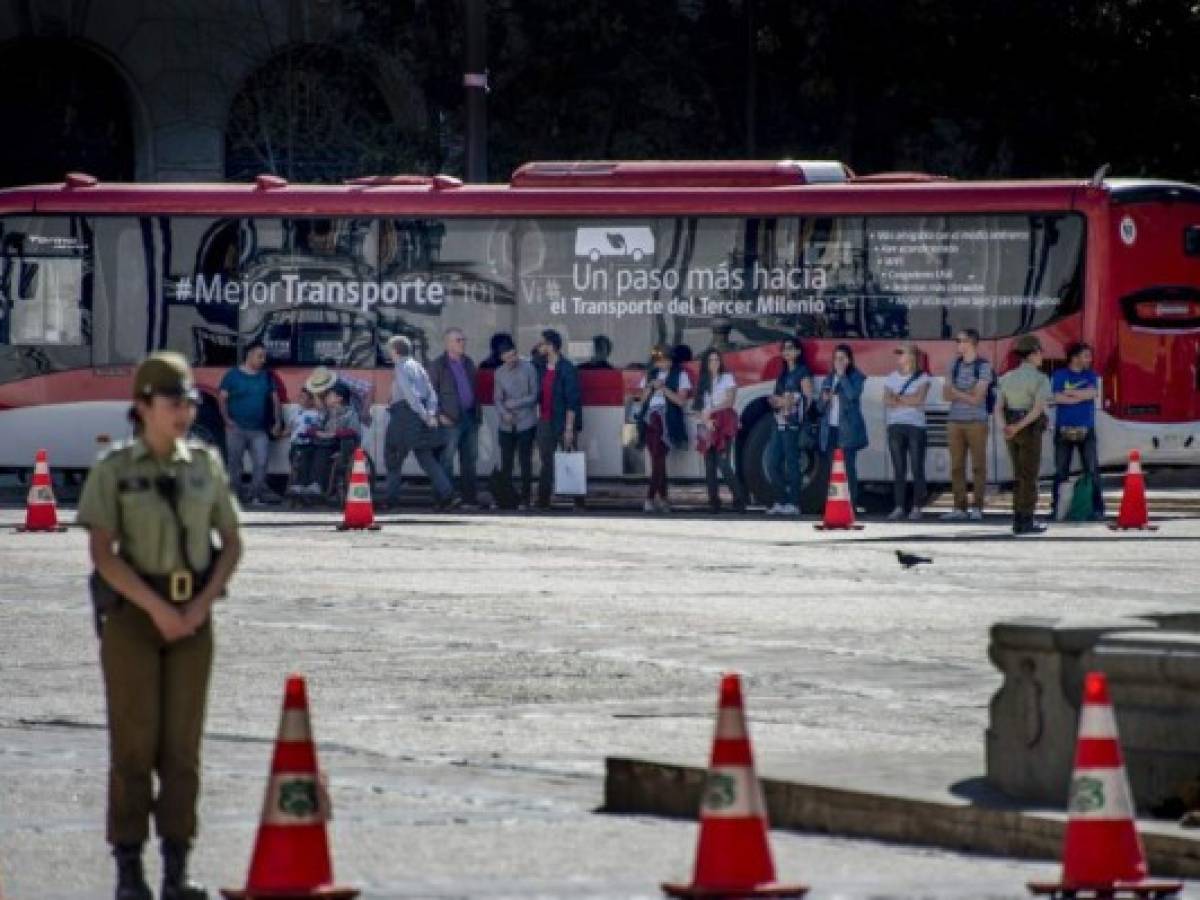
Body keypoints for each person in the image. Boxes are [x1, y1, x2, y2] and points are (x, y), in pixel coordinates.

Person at [77, 352, 242, 900]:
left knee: (182, 748)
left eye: (190, 402)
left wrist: (197, 608)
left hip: (193, 618)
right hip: (133, 619)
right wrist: (158, 609)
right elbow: (103, 554)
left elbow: (233, 543)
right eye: (174, 402)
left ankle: (176, 870)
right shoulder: (115, 470)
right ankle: (129, 870)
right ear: (143, 405)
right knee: (133, 746)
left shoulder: (204, 465)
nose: (185, 412)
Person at [382, 335, 459, 510]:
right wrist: (429, 414)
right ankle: (448, 494)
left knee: (393, 455)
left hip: (404, 416)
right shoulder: (419, 366)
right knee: (426, 458)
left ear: (395, 350)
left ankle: (390, 500)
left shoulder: (401, 366)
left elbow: (410, 395)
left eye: (389, 349)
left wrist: (424, 415)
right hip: (420, 416)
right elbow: (431, 393)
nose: (388, 352)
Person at [997, 334, 1053, 534]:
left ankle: (1016, 520)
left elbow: (998, 408)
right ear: (1033, 354)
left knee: (1018, 475)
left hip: (1010, 427)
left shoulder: (1006, 378)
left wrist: (1007, 427)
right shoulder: (1041, 379)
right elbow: (1037, 410)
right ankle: (1027, 521)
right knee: (1030, 476)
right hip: (1028, 429)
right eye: (1040, 352)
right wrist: (1019, 427)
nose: (1041, 356)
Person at [218, 340, 283, 505]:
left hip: (259, 429)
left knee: (261, 463)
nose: (263, 360)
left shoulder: (266, 377)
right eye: (260, 356)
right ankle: (235, 496)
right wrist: (226, 419)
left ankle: (254, 495)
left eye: (264, 357)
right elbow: (222, 398)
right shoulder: (232, 375)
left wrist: (277, 421)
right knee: (234, 464)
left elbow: (275, 400)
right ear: (249, 355)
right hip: (236, 428)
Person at [942, 328, 994, 521]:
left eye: (961, 340)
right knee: (956, 466)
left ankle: (977, 507)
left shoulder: (983, 366)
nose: (958, 344)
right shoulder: (953, 364)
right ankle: (959, 507)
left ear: (971, 343)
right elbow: (945, 395)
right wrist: (965, 393)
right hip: (954, 421)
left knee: (978, 467)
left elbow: (978, 398)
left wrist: (957, 392)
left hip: (976, 422)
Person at [428, 327, 481, 509]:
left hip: (470, 418)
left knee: (470, 460)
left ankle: (469, 500)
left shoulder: (469, 363)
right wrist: (439, 415)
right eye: (458, 340)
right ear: (448, 343)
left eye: (463, 339)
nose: (463, 343)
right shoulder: (438, 365)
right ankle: (444, 500)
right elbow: (430, 394)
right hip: (449, 419)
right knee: (446, 461)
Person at [635, 344, 692, 513]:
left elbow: (681, 401)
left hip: (667, 420)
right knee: (657, 460)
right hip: (649, 420)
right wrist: (651, 387)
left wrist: (664, 388)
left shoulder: (681, 374)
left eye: (663, 360)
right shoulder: (650, 374)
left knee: (658, 459)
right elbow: (642, 400)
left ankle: (651, 498)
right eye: (658, 361)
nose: (660, 364)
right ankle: (663, 500)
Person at [1051, 342, 1104, 520]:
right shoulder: (1060, 374)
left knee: (1092, 469)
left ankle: (1097, 508)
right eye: (1086, 356)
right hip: (1063, 428)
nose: (1089, 359)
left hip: (1086, 428)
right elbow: (1056, 397)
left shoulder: (1091, 374)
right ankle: (1057, 509)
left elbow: (1092, 393)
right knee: (1060, 471)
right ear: (1074, 358)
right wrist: (1080, 395)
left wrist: (1070, 394)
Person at [534, 329, 583, 510]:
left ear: (551, 346)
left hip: (563, 421)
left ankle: (578, 501)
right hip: (545, 420)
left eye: (542, 343)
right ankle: (543, 500)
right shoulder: (539, 365)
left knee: (570, 457)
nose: (539, 346)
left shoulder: (567, 368)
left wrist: (569, 428)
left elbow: (572, 400)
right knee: (546, 461)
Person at [693, 347, 747, 513]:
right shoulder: (702, 381)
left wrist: (712, 410)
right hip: (705, 422)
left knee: (723, 463)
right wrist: (706, 419)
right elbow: (697, 408)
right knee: (708, 464)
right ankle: (713, 502)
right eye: (711, 360)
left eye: (717, 359)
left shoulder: (727, 378)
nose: (714, 363)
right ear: (706, 363)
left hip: (724, 421)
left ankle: (739, 500)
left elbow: (730, 401)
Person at [816, 343, 868, 510]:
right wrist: (824, 399)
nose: (838, 361)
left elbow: (853, 395)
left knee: (848, 469)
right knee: (833, 470)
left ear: (849, 360)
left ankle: (851, 504)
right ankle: (835, 503)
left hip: (847, 430)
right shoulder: (829, 378)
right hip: (830, 429)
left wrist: (842, 376)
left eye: (842, 358)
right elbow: (819, 408)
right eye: (836, 358)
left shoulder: (856, 377)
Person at [884, 342, 932, 520]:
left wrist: (897, 398)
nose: (898, 357)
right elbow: (886, 400)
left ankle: (917, 507)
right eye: (898, 354)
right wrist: (906, 399)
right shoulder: (891, 377)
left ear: (911, 356)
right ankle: (899, 507)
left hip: (916, 427)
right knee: (899, 469)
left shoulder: (923, 377)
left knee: (917, 467)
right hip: (895, 425)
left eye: (901, 353)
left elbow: (919, 400)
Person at [766, 338, 814, 516]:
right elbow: (776, 397)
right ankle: (780, 500)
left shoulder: (803, 371)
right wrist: (777, 401)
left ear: (798, 352)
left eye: (790, 348)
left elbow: (807, 398)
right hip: (778, 421)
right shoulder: (783, 374)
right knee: (772, 463)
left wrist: (791, 403)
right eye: (784, 349)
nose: (786, 351)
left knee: (793, 463)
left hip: (793, 423)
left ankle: (794, 503)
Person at [492, 334, 540, 510]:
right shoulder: (499, 372)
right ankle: (505, 498)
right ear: (502, 358)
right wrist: (504, 413)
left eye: (514, 355)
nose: (512, 359)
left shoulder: (529, 368)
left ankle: (525, 499)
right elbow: (497, 398)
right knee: (506, 463)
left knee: (525, 462)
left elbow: (534, 396)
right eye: (508, 357)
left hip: (526, 422)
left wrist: (514, 404)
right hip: (506, 424)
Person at [310, 384, 362, 499]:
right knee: (307, 450)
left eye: (329, 395)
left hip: (341, 446)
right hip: (324, 443)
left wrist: (333, 434)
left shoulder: (351, 413)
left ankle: (318, 486)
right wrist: (315, 431)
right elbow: (315, 426)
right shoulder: (327, 413)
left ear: (339, 398)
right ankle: (304, 484)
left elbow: (354, 432)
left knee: (323, 451)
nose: (326, 398)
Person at [304, 366, 375, 427]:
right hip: (335, 419)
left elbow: (368, 389)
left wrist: (365, 412)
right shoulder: (315, 388)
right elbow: (322, 409)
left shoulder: (341, 379)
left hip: (355, 415)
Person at [286, 388, 323, 497]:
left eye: (303, 397)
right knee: (299, 458)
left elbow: (322, 426)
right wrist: (278, 433)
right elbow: (289, 428)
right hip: (297, 443)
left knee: (313, 460)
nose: (300, 399)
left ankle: (311, 485)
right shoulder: (295, 412)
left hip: (313, 443)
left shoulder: (318, 413)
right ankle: (299, 484)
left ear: (312, 400)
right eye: (300, 396)